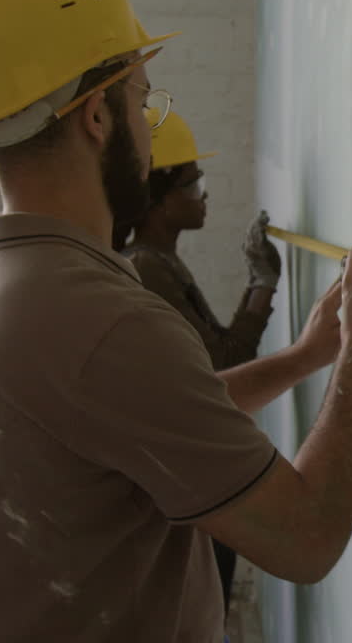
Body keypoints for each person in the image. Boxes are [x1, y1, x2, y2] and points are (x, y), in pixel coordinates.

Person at [0, 0, 352, 643]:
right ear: (97, 115)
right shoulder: (101, 323)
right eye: (142, 99)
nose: (148, 123)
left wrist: (310, 355)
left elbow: (146, 415)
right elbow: (307, 537)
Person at [113, 110, 283, 615]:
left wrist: (261, 284)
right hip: (191, 474)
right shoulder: (148, 267)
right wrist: (262, 284)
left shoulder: (158, 260)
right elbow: (224, 366)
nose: (203, 195)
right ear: (159, 203)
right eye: (194, 185)